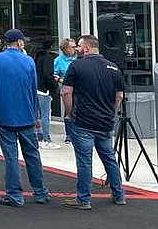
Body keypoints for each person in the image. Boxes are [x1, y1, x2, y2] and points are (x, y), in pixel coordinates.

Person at [0, 29, 50, 207]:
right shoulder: (28, 61)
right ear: (20, 42)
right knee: (32, 155)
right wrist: (35, 113)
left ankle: (14, 195)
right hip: (26, 114)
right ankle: (40, 192)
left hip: (4, 113)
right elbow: (33, 88)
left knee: (11, 156)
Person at [61, 35, 126, 210]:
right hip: (105, 121)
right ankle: (119, 194)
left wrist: (69, 114)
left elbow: (66, 92)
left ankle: (83, 198)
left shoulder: (76, 66)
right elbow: (119, 96)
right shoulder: (113, 68)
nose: (77, 49)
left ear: (86, 48)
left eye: (79, 46)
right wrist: (111, 112)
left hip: (83, 121)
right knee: (109, 158)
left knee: (84, 161)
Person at [33, 37, 60, 149]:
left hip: (36, 88)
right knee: (45, 115)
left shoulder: (37, 56)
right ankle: (46, 139)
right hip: (44, 90)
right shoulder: (48, 58)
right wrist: (55, 85)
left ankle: (37, 136)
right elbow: (47, 74)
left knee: (36, 114)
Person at [54, 37, 77, 143]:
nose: (75, 49)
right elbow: (53, 74)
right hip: (67, 89)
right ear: (65, 49)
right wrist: (60, 79)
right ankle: (69, 135)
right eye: (72, 47)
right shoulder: (58, 61)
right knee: (69, 110)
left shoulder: (78, 59)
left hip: (79, 88)